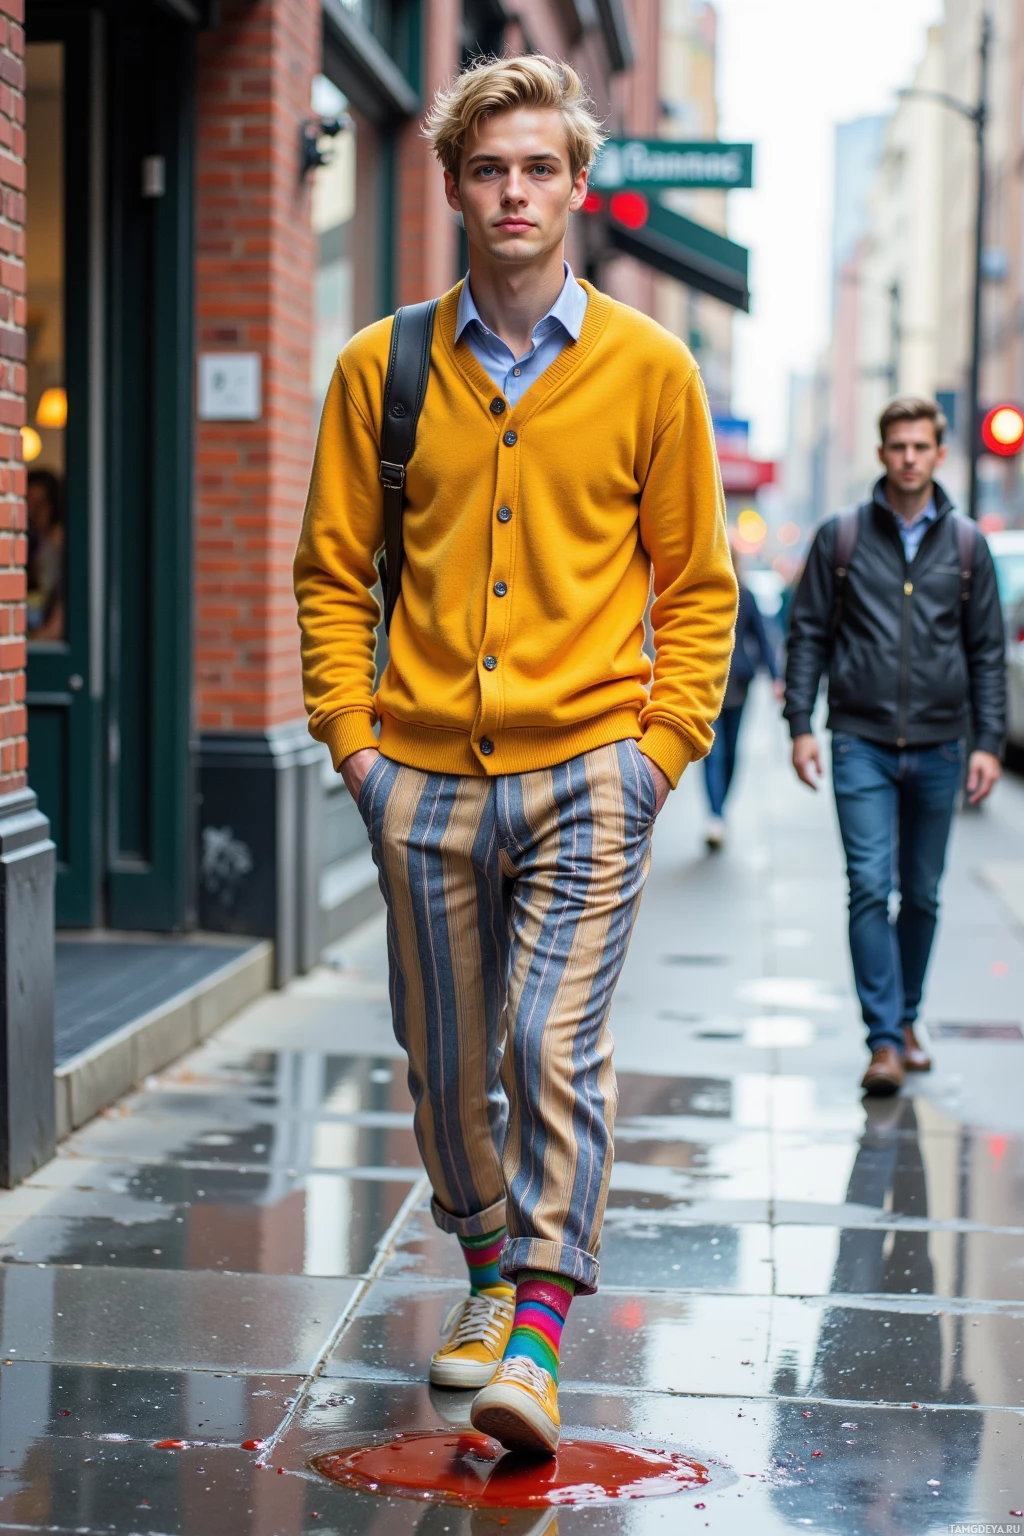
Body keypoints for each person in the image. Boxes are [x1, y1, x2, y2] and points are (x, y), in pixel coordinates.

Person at [294, 55, 737, 1454]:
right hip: (417, 777)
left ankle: (535, 1324)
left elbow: (701, 585)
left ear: (578, 187)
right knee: (442, 1058)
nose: (515, 192)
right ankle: (489, 1263)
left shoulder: (651, 371)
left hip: (591, 766)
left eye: (539, 168)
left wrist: (661, 751)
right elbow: (328, 574)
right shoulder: (384, 367)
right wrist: (354, 744)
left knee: (552, 1040)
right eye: (489, 170)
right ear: (453, 189)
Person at [784, 396, 1005, 1097]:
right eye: (898, 446)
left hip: (941, 745)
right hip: (861, 743)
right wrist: (799, 724)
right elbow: (808, 632)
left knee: (925, 895)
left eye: (921, 446)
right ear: (881, 453)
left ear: (939, 454)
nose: (909, 457)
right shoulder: (841, 537)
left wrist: (988, 743)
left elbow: (987, 653)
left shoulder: (968, 545)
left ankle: (908, 1018)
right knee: (869, 888)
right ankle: (883, 1040)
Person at [703, 553, 781, 849]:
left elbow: (762, 637)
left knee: (731, 753)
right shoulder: (705, 592)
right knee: (714, 752)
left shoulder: (745, 595)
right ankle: (715, 816)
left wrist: (776, 676)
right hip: (709, 686)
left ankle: (719, 809)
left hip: (738, 685)